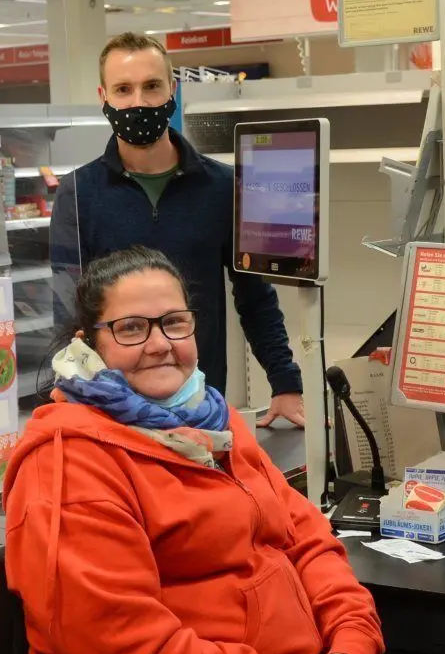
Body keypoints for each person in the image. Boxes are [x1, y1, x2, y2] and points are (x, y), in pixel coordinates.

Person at [3, 247, 383, 654]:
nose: (160, 343)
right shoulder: (68, 466)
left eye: (174, 322)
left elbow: (306, 539)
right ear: (89, 343)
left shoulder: (210, 421)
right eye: (131, 328)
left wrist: (352, 643)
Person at [50, 32, 305, 429]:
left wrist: (285, 384)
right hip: (114, 413)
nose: (139, 102)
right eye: (123, 89)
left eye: (152, 86)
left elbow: (256, 297)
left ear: (172, 88)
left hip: (200, 405)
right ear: (104, 97)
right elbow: (68, 310)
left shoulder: (226, 187)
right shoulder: (78, 193)